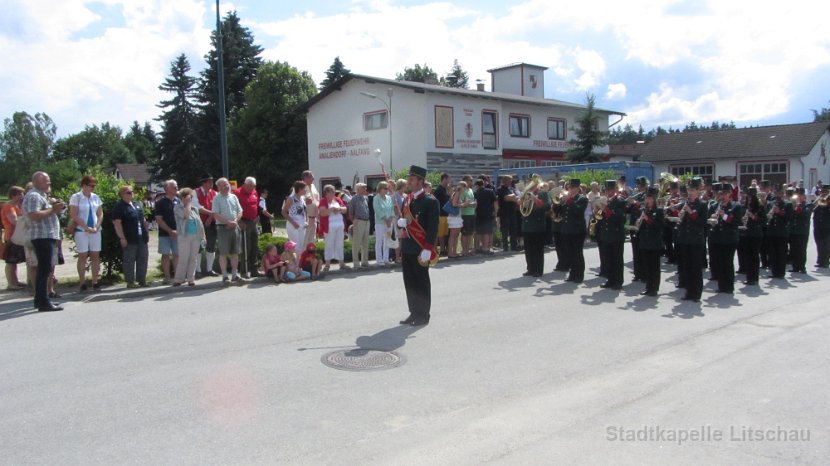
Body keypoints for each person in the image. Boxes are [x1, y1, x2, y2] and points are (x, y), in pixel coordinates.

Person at [396, 166, 439, 326]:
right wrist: (401, 223)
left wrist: (428, 248)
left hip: (421, 249)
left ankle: (423, 314)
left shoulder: (430, 201)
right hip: (408, 247)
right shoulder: (408, 200)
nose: (409, 181)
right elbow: (406, 222)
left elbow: (433, 227)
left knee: (421, 282)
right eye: (409, 178)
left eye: (412, 179)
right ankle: (413, 312)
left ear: (420, 181)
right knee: (410, 282)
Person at [22, 171, 65, 312]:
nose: (49, 182)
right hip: (42, 236)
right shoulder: (34, 195)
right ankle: (43, 301)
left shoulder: (42, 196)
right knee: (44, 269)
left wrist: (55, 207)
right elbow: (34, 215)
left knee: (45, 269)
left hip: (47, 235)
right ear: (37, 181)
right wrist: (53, 209)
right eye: (46, 180)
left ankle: (40, 300)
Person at [675, 177, 709, 302]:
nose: (690, 192)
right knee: (687, 267)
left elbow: (701, 222)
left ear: (698, 191)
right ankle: (689, 292)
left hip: (696, 240)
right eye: (689, 190)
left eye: (693, 190)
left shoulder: (702, 205)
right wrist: (680, 217)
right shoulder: (686, 204)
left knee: (696, 268)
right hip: (685, 240)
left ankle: (696, 293)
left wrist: (691, 212)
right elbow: (683, 223)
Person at [69, 175, 104, 291]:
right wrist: (86, 227)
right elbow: (74, 215)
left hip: (95, 231)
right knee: (83, 256)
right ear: (84, 185)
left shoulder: (95, 197)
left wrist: (96, 226)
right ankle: (82, 282)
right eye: (91, 185)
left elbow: (100, 213)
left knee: (95, 255)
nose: (93, 188)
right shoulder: (76, 197)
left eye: (94, 185)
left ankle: (95, 281)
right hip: (81, 230)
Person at [112, 185, 149, 289]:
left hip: (141, 236)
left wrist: (147, 232)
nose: (131, 193)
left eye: (132, 192)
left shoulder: (138, 204)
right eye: (129, 192)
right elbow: (117, 223)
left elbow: (143, 220)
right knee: (129, 260)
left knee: (143, 258)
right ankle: (130, 282)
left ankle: (142, 280)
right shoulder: (119, 207)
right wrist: (122, 238)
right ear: (122, 194)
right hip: (129, 237)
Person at [708, 184, 742, 294]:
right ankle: (721, 285)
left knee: (728, 262)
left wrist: (724, 215)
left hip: (729, 239)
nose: (722, 196)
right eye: (721, 194)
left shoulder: (736, 206)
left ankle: (729, 286)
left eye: (725, 194)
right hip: (717, 238)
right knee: (719, 263)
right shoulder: (715, 206)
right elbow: (709, 221)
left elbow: (736, 222)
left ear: (729, 194)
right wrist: (713, 218)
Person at [211, 177, 244, 284]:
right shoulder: (216, 198)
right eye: (224, 185)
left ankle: (235, 274)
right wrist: (228, 223)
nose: (226, 186)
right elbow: (216, 214)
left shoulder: (234, 197)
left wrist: (234, 222)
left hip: (235, 227)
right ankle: (225, 275)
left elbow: (240, 211)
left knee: (235, 252)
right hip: (223, 228)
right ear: (218, 187)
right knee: (223, 253)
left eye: (227, 184)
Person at [554, 178, 588, 283]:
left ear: (578, 188)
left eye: (572, 187)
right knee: (569, 253)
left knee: (577, 253)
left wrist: (569, 200)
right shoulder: (566, 199)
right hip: (566, 230)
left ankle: (579, 275)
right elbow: (558, 212)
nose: (570, 189)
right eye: (569, 187)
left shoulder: (582, 198)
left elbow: (578, 211)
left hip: (577, 230)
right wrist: (556, 204)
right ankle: (572, 274)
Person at [172, 188, 206, 286]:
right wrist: (187, 204)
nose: (190, 198)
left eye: (191, 197)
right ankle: (179, 279)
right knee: (183, 257)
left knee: (193, 258)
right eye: (188, 197)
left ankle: (191, 278)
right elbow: (186, 215)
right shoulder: (178, 208)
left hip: (195, 236)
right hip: (184, 236)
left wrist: (203, 236)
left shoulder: (194, 209)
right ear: (182, 197)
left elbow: (200, 224)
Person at [521, 177, 552, 278]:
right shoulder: (526, 193)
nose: (530, 183)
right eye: (529, 181)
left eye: (532, 181)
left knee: (537, 249)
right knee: (528, 249)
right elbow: (522, 208)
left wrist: (535, 199)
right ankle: (530, 269)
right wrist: (522, 203)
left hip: (537, 225)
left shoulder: (543, 193)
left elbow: (547, 206)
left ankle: (538, 270)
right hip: (527, 225)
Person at [598, 180, 626, 290]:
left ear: (614, 189)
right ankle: (610, 279)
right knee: (608, 258)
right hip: (606, 234)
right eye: (606, 190)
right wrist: (599, 210)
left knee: (617, 259)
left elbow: (620, 218)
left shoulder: (620, 201)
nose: (607, 192)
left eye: (609, 189)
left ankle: (618, 281)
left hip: (616, 234)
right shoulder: (607, 201)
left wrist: (606, 210)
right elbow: (601, 217)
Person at [636, 187, 664, 296]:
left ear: (654, 199)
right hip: (645, 241)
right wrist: (639, 222)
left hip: (654, 242)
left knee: (654, 266)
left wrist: (647, 219)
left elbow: (660, 226)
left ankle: (654, 288)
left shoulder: (659, 211)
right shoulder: (645, 210)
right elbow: (642, 226)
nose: (647, 200)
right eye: (646, 198)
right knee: (647, 266)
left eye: (649, 198)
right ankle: (648, 287)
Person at [154, 180, 180, 284]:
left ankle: (178, 276)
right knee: (165, 254)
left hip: (178, 233)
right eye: (174, 186)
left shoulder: (178, 201)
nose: (176, 188)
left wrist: (178, 231)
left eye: (176, 186)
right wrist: (170, 231)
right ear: (167, 189)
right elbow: (159, 219)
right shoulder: (160, 202)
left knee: (177, 254)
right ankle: (167, 276)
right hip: (165, 234)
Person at [234, 177, 260, 278]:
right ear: (245, 185)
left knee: (254, 246)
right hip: (243, 222)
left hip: (253, 221)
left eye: (254, 186)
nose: (252, 188)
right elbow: (234, 208)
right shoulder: (237, 193)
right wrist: (239, 221)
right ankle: (244, 271)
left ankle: (254, 270)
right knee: (245, 247)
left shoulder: (254, 192)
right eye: (250, 186)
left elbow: (256, 205)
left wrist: (257, 216)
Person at [319, 184, 348, 271]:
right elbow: (322, 213)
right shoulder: (323, 201)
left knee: (340, 244)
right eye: (331, 192)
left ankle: (341, 263)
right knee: (329, 244)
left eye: (333, 192)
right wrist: (331, 209)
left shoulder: (338, 199)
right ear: (326, 193)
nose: (333, 194)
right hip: (329, 226)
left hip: (340, 225)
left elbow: (345, 209)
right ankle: (327, 264)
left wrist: (338, 209)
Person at [193, 174, 218, 277]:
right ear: (203, 183)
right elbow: (197, 207)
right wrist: (211, 214)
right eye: (209, 182)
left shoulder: (214, 193)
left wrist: (210, 217)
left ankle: (209, 269)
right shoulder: (195, 192)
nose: (211, 184)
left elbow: (216, 208)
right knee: (198, 246)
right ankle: (198, 270)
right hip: (198, 222)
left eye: (212, 182)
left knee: (211, 246)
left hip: (211, 223)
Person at [2, 186, 27, 290]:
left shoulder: (17, 206)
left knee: (14, 261)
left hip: (17, 236)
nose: (22, 196)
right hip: (11, 236)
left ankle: (15, 281)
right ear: (13, 195)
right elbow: (14, 221)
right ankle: (11, 284)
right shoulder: (9, 206)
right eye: (20, 194)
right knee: (10, 261)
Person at [765, 186, 792, 279]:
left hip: (782, 232)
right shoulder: (770, 203)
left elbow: (789, 218)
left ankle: (781, 273)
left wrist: (780, 212)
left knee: (781, 253)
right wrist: (770, 215)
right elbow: (767, 217)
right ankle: (774, 272)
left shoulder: (787, 204)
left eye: (780, 193)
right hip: (772, 231)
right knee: (772, 253)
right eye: (777, 193)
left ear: (783, 194)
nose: (778, 195)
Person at [740, 187, 764, 285]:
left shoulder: (760, 207)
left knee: (754, 256)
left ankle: (754, 278)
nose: (749, 199)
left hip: (756, 234)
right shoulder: (746, 207)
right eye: (748, 197)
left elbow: (763, 220)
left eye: (751, 197)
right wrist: (743, 219)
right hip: (747, 233)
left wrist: (753, 216)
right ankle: (749, 277)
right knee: (748, 256)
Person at [789, 187, 812, 274]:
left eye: (800, 195)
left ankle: (802, 267)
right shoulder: (793, 204)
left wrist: (798, 207)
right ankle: (795, 266)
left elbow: (806, 214)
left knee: (801, 249)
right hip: (794, 231)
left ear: (804, 196)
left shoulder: (807, 205)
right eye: (798, 195)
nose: (799, 196)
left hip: (802, 231)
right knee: (793, 249)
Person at [348, 183, 371, 268]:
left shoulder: (365, 198)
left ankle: (365, 261)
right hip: (359, 221)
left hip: (366, 221)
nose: (365, 188)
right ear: (358, 189)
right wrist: (353, 221)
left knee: (365, 242)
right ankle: (356, 263)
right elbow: (350, 212)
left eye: (365, 187)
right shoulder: (353, 199)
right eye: (363, 187)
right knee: (356, 243)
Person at [373, 181, 395, 265]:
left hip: (389, 223)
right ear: (380, 189)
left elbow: (392, 209)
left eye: (388, 188)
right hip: (380, 223)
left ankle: (386, 258)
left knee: (387, 240)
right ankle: (379, 259)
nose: (387, 190)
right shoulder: (376, 198)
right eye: (385, 188)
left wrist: (391, 219)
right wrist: (386, 219)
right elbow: (377, 210)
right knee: (379, 241)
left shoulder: (389, 198)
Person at [496, 175, 519, 252]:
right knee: (505, 230)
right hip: (504, 212)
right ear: (504, 181)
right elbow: (506, 198)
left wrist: (512, 197)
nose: (510, 182)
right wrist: (513, 197)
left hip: (512, 212)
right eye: (508, 180)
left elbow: (517, 198)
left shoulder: (511, 189)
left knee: (513, 229)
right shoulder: (500, 189)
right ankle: (505, 246)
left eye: (510, 180)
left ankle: (514, 246)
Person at [474, 179, 497, 254]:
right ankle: (486, 248)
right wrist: (495, 212)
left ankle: (478, 247)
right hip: (489, 214)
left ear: (477, 185)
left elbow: (475, 204)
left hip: (479, 214)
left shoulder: (476, 193)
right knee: (487, 232)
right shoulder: (490, 191)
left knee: (479, 232)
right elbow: (495, 202)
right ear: (483, 184)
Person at [282, 181, 308, 247]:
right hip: (293, 225)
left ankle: (299, 257)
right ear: (299, 189)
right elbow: (283, 212)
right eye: (304, 189)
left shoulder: (302, 198)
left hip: (302, 225)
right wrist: (293, 223)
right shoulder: (291, 198)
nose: (306, 190)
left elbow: (304, 211)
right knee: (295, 247)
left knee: (302, 246)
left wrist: (306, 221)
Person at [301, 171, 321, 248]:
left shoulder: (313, 186)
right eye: (311, 177)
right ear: (306, 178)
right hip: (306, 219)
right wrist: (305, 201)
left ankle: (310, 258)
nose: (313, 179)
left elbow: (317, 200)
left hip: (314, 218)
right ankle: (302, 258)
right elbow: (297, 200)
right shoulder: (300, 186)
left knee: (312, 241)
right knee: (304, 241)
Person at [433, 173, 451, 256]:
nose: (449, 181)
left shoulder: (444, 189)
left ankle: (443, 250)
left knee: (445, 234)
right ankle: (441, 250)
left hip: (446, 214)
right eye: (448, 179)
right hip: (440, 215)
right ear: (444, 179)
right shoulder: (438, 190)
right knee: (440, 234)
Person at [813, 185, 830, 268]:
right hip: (818, 225)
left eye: (824, 192)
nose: (822, 193)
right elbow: (814, 209)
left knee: (826, 244)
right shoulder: (819, 200)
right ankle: (820, 260)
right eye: (822, 191)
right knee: (819, 243)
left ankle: (825, 261)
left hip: (827, 226)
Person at [447, 181, 465, 259]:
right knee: (453, 235)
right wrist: (464, 204)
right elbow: (454, 204)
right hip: (454, 217)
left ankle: (454, 251)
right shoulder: (457, 193)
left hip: (457, 217)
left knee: (456, 235)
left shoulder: (458, 193)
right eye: (465, 187)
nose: (465, 189)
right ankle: (450, 252)